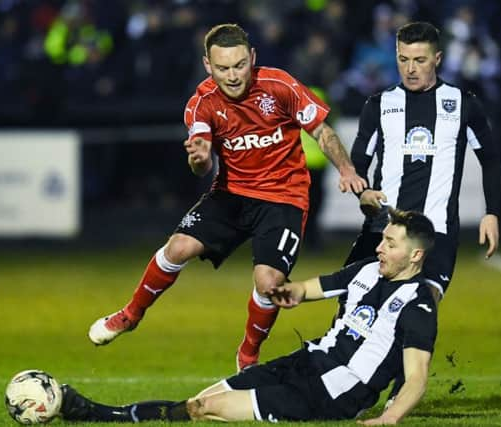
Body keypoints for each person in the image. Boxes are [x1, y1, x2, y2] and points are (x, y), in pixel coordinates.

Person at [88, 23, 367, 371]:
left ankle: (248, 356)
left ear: (252, 57)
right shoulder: (201, 103)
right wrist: (200, 159)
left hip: (284, 198)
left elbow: (321, 130)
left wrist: (346, 169)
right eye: (223, 68)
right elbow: (201, 160)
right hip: (232, 193)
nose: (232, 76)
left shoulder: (280, 86)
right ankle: (131, 314)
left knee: (269, 284)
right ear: (208, 65)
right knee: (177, 248)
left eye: (239, 66)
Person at [60, 208, 437, 424]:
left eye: (390, 243)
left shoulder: (418, 304)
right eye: (382, 239)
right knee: (207, 397)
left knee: (209, 408)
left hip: (336, 390)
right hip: (307, 361)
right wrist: (287, 291)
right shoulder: (367, 270)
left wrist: (387, 421)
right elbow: (308, 288)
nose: (379, 247)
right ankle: (108, 414)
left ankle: (97, 414)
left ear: (416, 256)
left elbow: (416, 378)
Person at [343, 21, 501, 402]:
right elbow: (358, 163)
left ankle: (402, 392)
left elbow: (492, 160)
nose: (410, 68)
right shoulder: (379, 105)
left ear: (438, 59)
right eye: (403, 59)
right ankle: (341, 379)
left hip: (437, 233)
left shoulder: (464, 104)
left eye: (419, 60)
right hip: (383, 228)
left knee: (418, 307)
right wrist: (361, 191)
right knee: (351, 306)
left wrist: (492, 212)